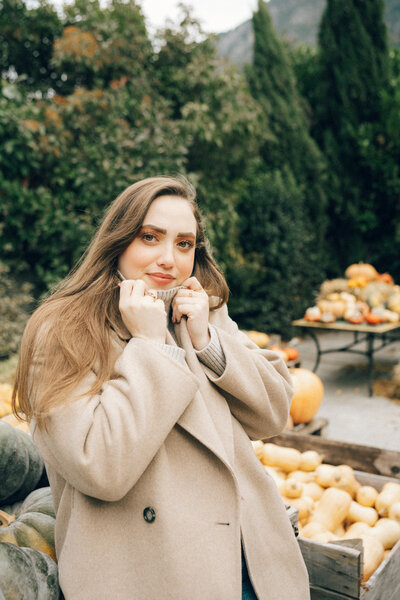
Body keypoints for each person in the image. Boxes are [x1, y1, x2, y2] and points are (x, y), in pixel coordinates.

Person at [13, 175, 310, 600]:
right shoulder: (63, 330)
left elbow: (274, 414)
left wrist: (209, 342)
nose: (168, 259)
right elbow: (99, 467)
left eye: (184, 244)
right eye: (150, 237)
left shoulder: (199, 307)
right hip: (155, 573)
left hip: (250, 558)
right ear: (117, 240)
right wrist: (150, 347)